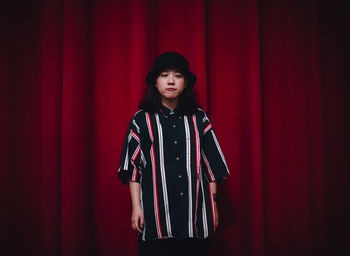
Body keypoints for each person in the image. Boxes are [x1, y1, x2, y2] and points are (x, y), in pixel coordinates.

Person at [117, 52, 230, 256]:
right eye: (164, 75)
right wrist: (136, 207)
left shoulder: (199, 118)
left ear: (185, 83)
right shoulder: (141, 120)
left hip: (194, 219)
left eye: (177, 75)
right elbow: (134, 169)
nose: (171, 81)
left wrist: (213, 205)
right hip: (155, 220)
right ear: (155, 82)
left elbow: (212, 166)